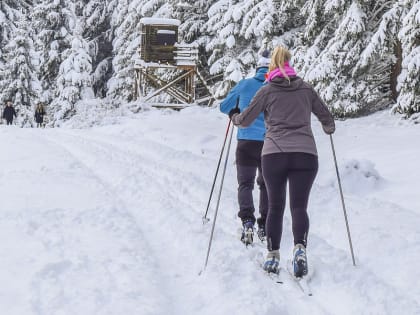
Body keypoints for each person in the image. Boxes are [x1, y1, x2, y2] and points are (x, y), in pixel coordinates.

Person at [229, 46, 335, 277]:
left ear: (272, 66)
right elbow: (327, 118)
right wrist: (328, 128)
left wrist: (234, 117)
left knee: (276, 207)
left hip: (274, 154)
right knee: (299, 206)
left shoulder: (267, 90)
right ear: (289, 63)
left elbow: (246, 119)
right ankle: (299, 249)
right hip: (306, 155)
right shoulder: (306, 89)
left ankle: (273, 256)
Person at [219, 50, 271, 245]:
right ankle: (264, 224)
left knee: (245, 184)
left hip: (246, 142)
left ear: (257, 68)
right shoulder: (275, 87)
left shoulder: (245, 84)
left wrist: (234, 111)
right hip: (269, 143)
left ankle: (247, 221)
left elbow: (224, 106)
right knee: (266, 184)